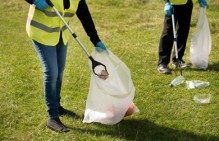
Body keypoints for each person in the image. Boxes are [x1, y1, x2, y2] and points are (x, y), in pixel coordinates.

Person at [25, 0, 107, 132]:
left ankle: (57, 106)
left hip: (60, 33)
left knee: (60, 71)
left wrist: (95, 39)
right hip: (41, 33)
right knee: (51, 72)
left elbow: (84, 15)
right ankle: (53, 117)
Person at [157, 0, 208, 74]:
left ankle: (178, 59)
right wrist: (166, 2)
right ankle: (163, 63)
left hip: (187, 3)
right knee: (168, 32)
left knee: (183, 31)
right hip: (173, 3)